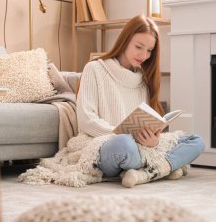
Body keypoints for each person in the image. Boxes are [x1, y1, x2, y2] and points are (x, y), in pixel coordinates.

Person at [76, 14, 204, 188]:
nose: (144, 55)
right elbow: (86, 121)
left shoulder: (143, 79)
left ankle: (145, 173)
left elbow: (147, 123)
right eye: (139, 47)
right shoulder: (95, 69)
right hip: (107, 145)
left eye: (150, 50)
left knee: (196, 141)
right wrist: (123, 135)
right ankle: (165, 167)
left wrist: (154, 141)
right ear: (125, 40)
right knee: (124, 145)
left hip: (140, 148)